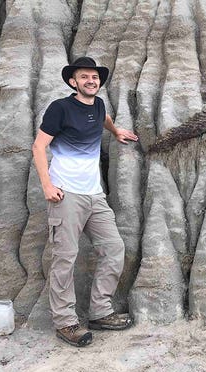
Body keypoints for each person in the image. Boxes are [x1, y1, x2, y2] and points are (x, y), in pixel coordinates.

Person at [32, 56, 139, 347]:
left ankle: (100, 311)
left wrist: (115, 131)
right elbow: (39, 146)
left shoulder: (100, 104)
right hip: (66, 194)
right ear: (73, 81)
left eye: (94, 77)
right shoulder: (60, 108)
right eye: (84, 77)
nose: (90, 81)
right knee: (64, 257)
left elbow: (103, 119)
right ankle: (65, 322)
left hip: (95, 194)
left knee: (114, 248)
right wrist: (47, 185)